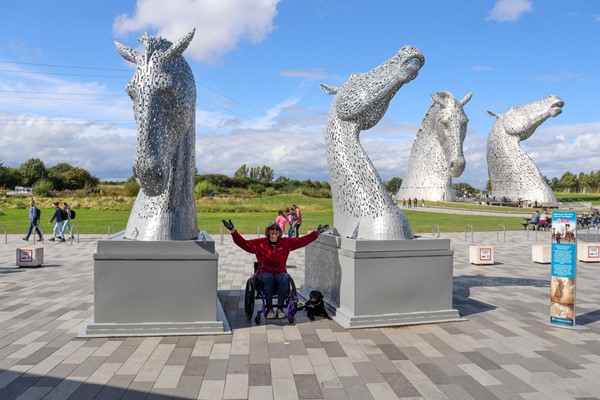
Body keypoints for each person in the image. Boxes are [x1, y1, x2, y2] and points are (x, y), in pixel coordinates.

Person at [222, 219, 329, 319]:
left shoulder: (286, 243)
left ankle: (280, 308)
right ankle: (269, 309)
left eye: (277, 229)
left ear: (280, 232)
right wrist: (233, 231)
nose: (274, 231)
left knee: (284, 277)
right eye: (272, 229)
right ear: (268, 231)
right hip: (264, 272)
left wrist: (316, 233)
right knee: (268, 278)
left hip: (280, 271)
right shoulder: (260, 243)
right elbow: (244, 244)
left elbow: (301, 241)